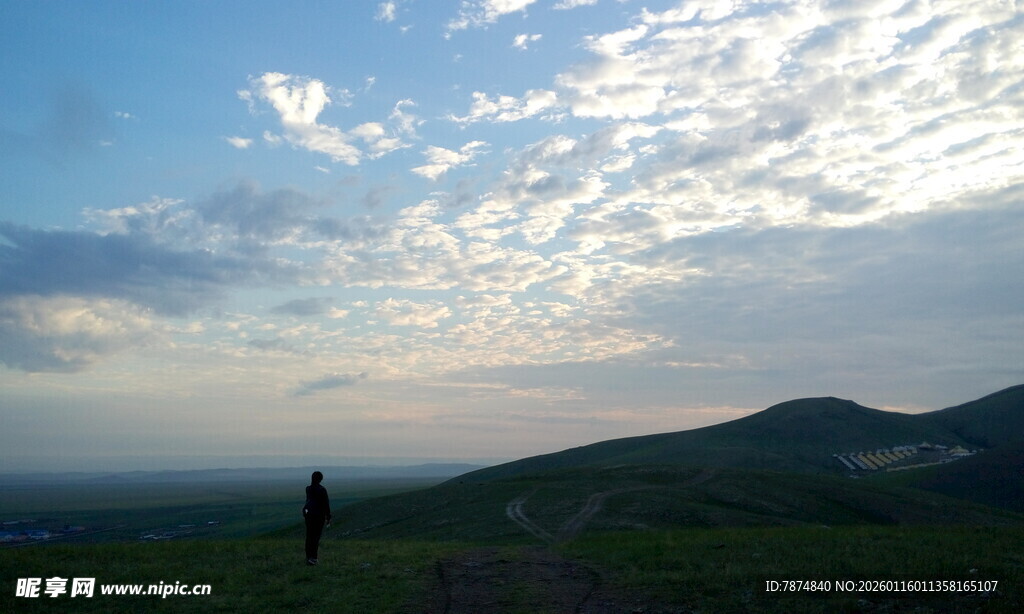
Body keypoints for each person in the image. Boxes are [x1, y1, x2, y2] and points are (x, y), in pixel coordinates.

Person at [303, 470, 331, 565]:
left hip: (308, 514)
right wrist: (328, 517)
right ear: (320, 479)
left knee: (309, 536)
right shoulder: (322, 490)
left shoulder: (308, 489)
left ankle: (308, 557)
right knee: (316, 537)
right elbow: (326, 504)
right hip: (318, 516)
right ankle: (313, 558)